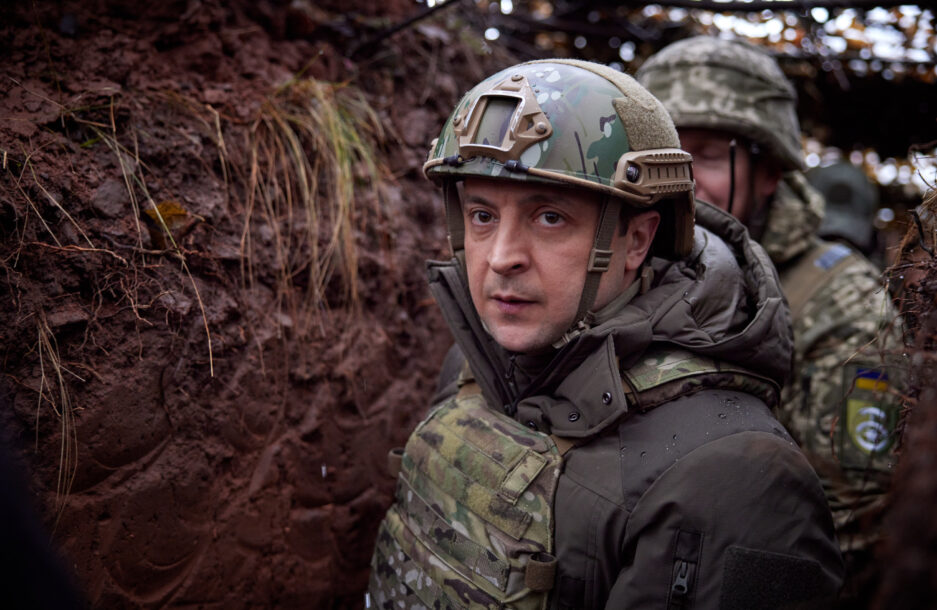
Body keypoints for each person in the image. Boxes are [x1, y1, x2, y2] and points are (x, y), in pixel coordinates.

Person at [367, 58, 843, 609]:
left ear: (637, 240)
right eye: (482, 215)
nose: (501, 258)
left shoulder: (737, 476)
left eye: (550, 217)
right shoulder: (477, 360)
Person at [637, 36, 903, 603]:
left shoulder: (844, 305)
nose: (680, 179)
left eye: (708, 156)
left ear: (770, 173)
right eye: (664, 154)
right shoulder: (622, 267)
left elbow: (849, 520)